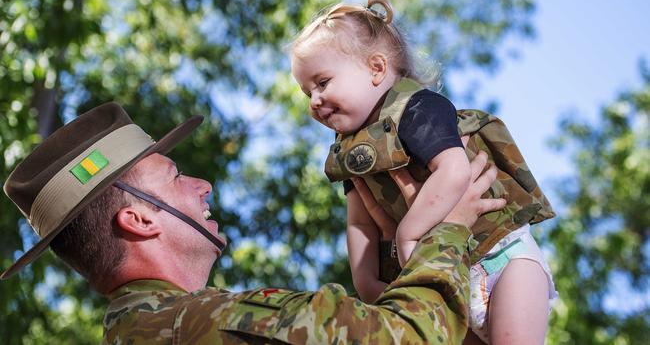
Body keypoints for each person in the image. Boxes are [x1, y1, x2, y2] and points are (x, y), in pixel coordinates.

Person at [1, 102, 505, 344]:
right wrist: (448, 229)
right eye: (175, 176)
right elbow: (410, 338)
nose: (203, 186)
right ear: (137, 218)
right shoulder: (200, 325)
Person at [290, 0, 558, 344]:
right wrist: (367, 281)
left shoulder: (415, 108)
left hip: (500, 259)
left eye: (322, 83)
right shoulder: (352, 151)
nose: (314, 101)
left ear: (376, 68)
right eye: (306, 92)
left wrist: (409, 234)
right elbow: (359, 221)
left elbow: (454, 170)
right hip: (442, 280)